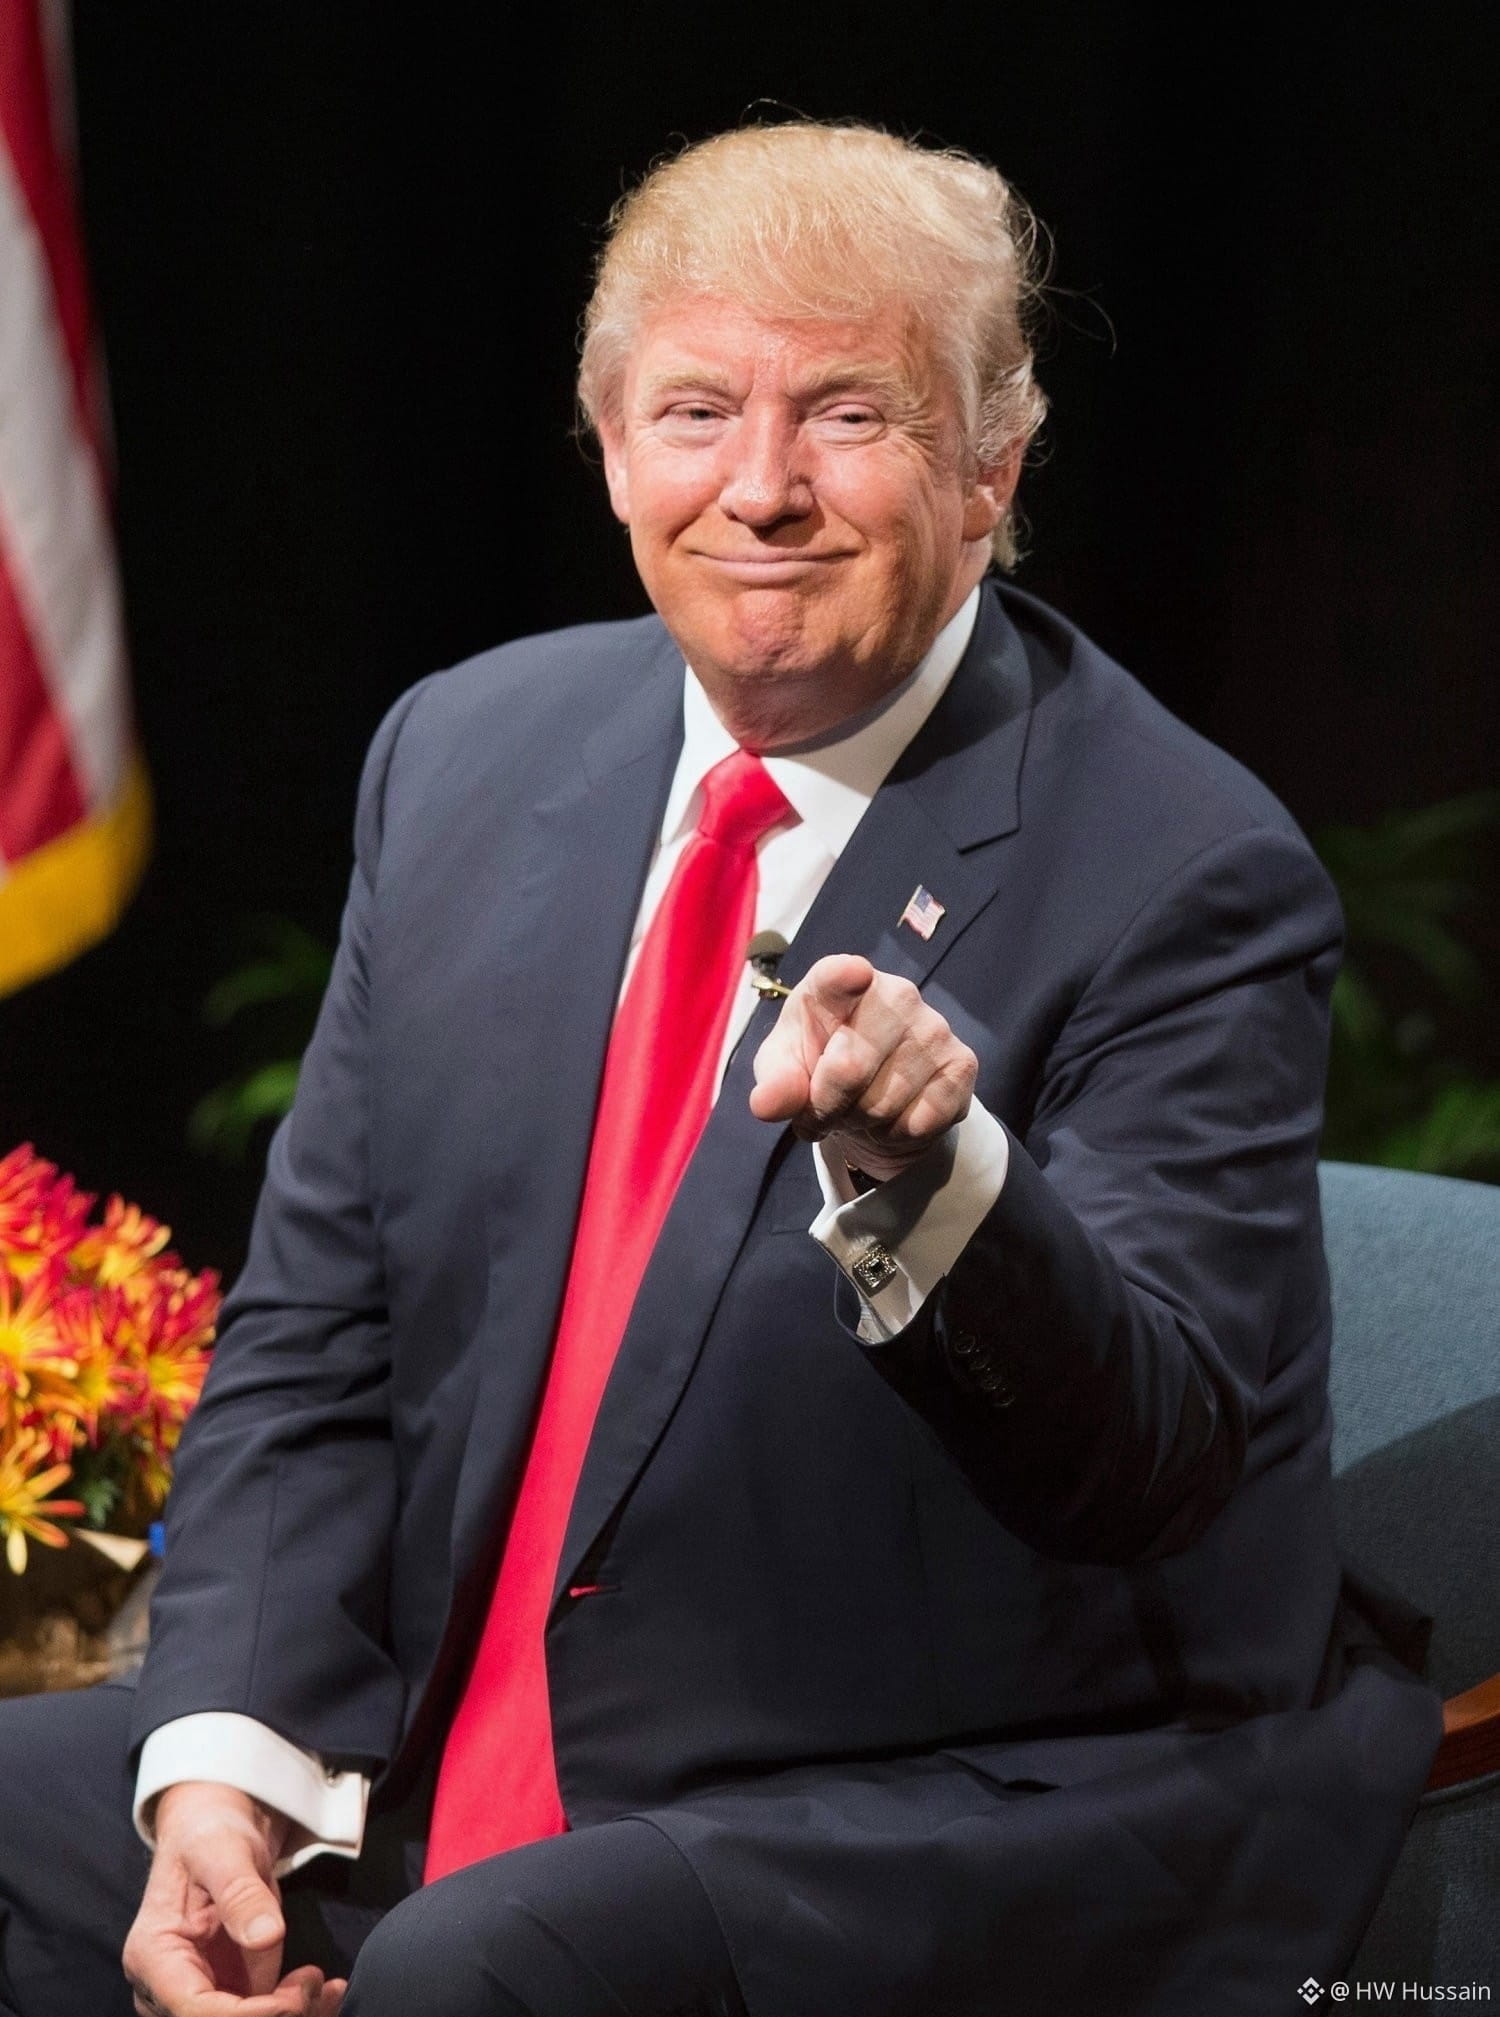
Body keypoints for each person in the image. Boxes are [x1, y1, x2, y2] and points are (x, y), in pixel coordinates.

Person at [0, 122, 1439, 2017]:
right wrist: (223, 1769)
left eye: (848, 414)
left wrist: (933, 1181)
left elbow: (1154, 1461)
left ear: (991, 469)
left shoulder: (1185, 867)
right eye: (695, 412)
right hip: (462, 1712)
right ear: (611, 450)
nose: (760, 488)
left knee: (474, 1965)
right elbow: (320, 1336)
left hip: (916, 1776)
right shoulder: (464, 753)